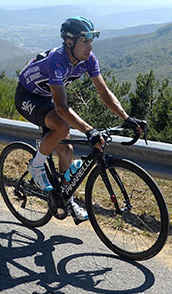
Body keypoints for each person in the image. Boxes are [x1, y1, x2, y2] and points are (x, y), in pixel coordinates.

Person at [15, 16, 145, 223]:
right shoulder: (57, 60)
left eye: (91, 40)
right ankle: (36, 165)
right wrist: (89, 130)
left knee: (67, 149)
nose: (89, 46)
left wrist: (127, 117)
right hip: (27, 96)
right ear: (70, 42)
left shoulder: (89, 59)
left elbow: (104, 93)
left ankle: (67, 198)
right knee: (61, 126)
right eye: (85, 41)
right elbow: (61, 107)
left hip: (46, 97)